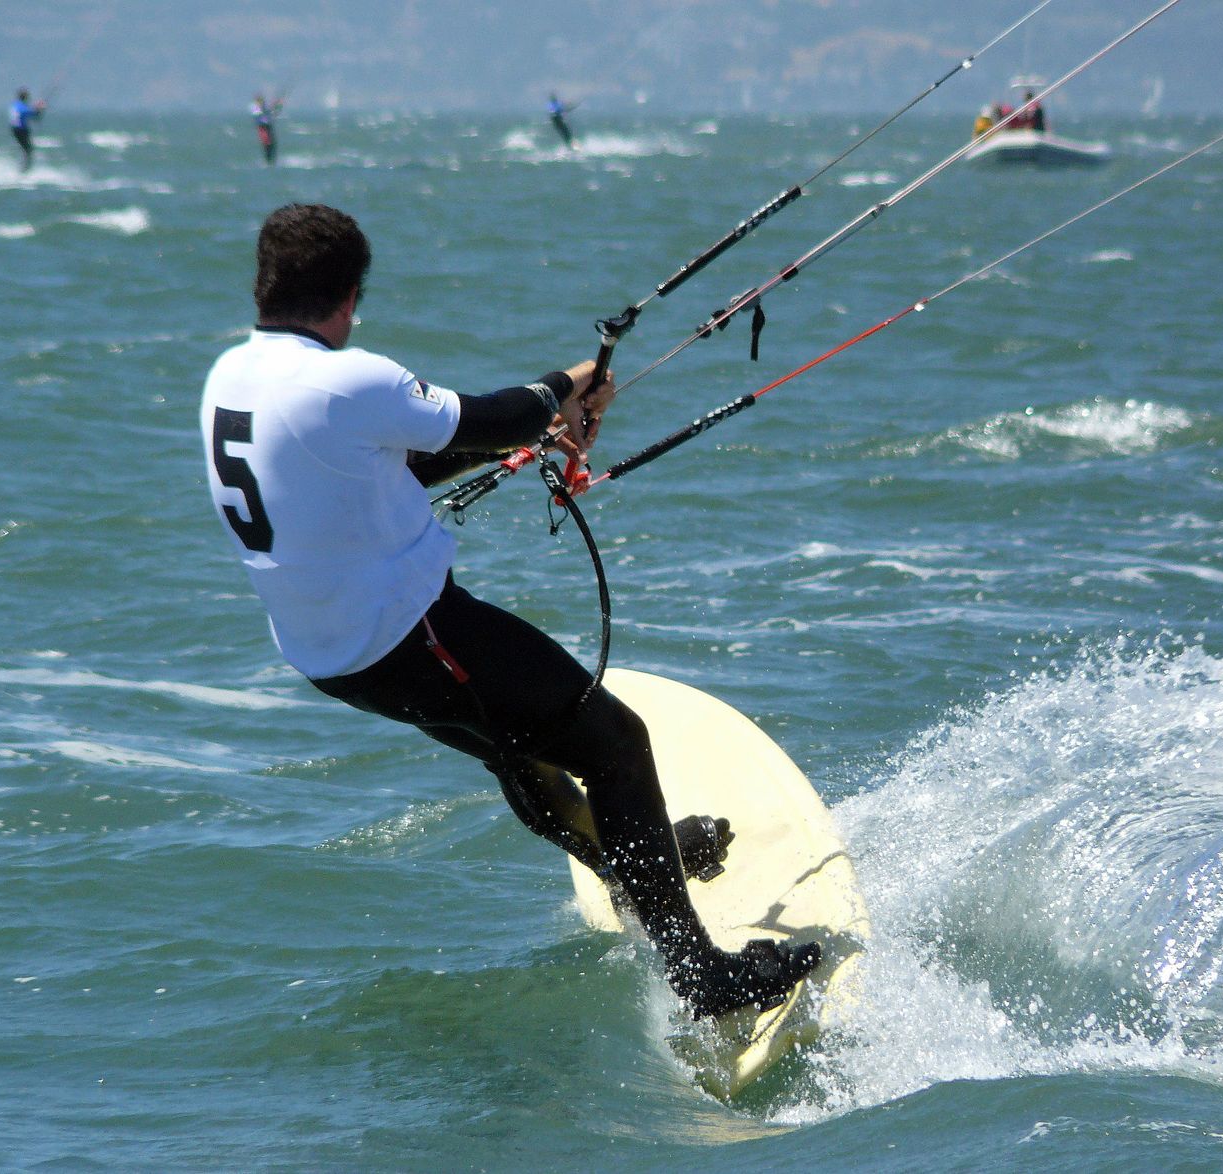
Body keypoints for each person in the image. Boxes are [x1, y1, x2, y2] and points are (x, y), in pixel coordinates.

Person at [199, 203, 822, 1018]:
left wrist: (536, 432)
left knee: (515, 748)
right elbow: (490, 417)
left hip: (330, 655)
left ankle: (636, 861)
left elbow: (382, 469)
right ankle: (701, 975)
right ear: (349, 296)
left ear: (265, 284)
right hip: (413, 637)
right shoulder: (346, 379)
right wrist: (567, 384)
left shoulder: (232, 377)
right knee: (614, 743)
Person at [9, 88, 46, 171]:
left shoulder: (15, 105)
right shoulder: (21, 107)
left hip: (14, 129)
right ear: (25, 97)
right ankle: (24, 169)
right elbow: (33, 114)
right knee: (28, 150)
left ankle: (24, 167)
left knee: (26, 149)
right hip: (21, 130)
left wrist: (37, 108)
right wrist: (40, 108)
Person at [250, 94, 284, 164]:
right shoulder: (255, 109)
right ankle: (268, 161)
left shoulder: (263, 108)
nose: (262, 103)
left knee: (273, 144)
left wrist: (279, 105)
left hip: (268, 127)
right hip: (263, 128)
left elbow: (273, 113)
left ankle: (271, 161)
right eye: (260, 101)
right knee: (267, 144)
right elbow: (262, 116)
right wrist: (274, 106)